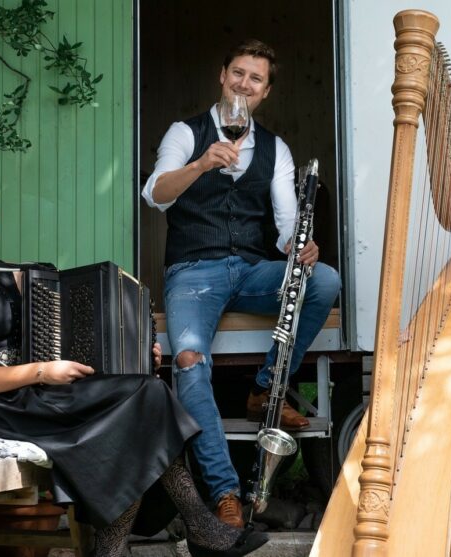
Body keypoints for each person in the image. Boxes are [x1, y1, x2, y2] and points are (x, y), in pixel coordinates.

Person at [0, 162, 269, 557]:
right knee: (144, 404)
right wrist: (41, 371)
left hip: (39, 397)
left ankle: (137, 542)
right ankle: (180, 532)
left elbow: (63, 345)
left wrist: (137, 355)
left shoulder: (12, 274)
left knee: (147, 391)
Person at [142, 38, 341, 527]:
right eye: (238, 73)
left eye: (255, 78)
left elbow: (287, 226)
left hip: (252, 269)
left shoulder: (276, 148)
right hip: (193, 271)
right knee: (188, 359)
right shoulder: (185, 133)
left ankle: (263, 389)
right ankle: (226, 493)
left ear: (266, 91)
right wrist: (201, 164)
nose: (244, 84)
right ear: (222, 75)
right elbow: (155, 194)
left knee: (324, 280)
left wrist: (303, 247)